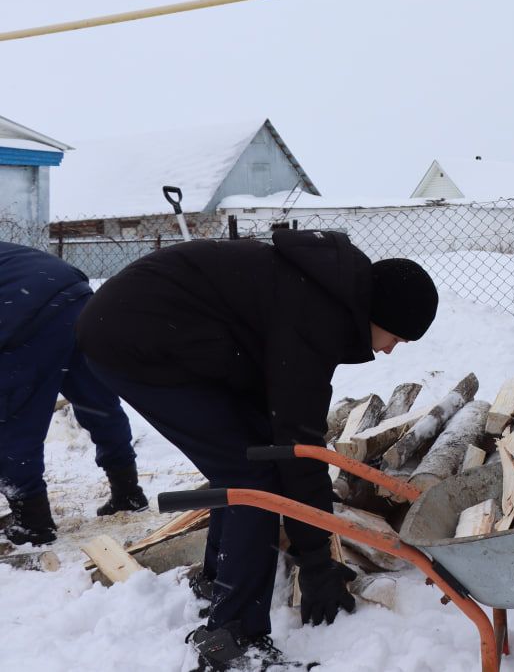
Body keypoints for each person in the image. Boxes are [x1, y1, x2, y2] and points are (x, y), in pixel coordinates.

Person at [76, 230, 438, 671]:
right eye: (397, 336)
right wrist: (316, 560)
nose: (391, 350)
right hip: (137, 339)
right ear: (378, 313)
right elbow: (297, 447)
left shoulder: (323, 294)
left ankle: (218, 581)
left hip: (157, 330)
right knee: (253, 478)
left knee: (248, 457)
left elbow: (282, 427)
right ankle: (232, 639)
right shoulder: (316, 315)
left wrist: (314, 553)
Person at [0, 243, 147, 547]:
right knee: (96, 400)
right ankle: (128, 492)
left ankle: (33, 522)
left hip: (27, 310)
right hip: (74, 295)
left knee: (15, 417)